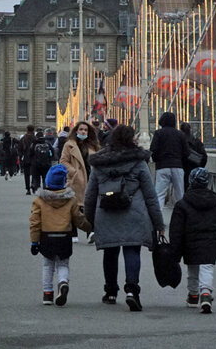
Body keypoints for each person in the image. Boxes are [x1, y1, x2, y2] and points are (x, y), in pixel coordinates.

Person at [84, 124, 165, 311]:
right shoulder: (139, 162)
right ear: (131, 139)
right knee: (132, 251)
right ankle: (132, 290)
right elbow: (151, 195)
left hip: (106, 213)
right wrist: (158, 223)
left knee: (110, 252)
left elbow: (90, 195)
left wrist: (90, 220)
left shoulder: (99, 163)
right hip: (134, 214)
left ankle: (111, 291)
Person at [168, 167, 216, 313]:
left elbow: (176, 231)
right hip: (210, 243)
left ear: (190, 181)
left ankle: (193, 295)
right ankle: (206, 294)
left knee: (193, 268)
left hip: (190, 243)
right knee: (207, 268)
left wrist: (175, 252)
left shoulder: (182, 205)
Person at [30, 164, 86, 306]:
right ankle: (62, 282)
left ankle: (47, 294)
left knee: (48, 265)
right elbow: (78, 219)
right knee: (63, 264)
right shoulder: (71, 200)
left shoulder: (39, 201)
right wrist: (90, 227)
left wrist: (34, 242)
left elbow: (35, 222)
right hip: (64, 237)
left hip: (47, 237)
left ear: (48, 181)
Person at [59, 119, 100, 243]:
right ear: (76, 131)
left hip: (90, 178)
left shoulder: (93, 145)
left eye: (86, 130)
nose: (83, 131)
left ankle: (91, 232)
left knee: (90, 207)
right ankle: (73, 233)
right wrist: (73, 172)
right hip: (76, 179)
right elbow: (63, 161)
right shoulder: (69, 145)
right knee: (74, 207)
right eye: (81, 129)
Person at [150, 111, 190, 209]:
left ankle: (158, 219)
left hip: (162, 166)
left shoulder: (158, 133)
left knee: (160, 194)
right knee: (179, 194)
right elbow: (186, 152)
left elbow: (153, 150)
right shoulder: (180, 134)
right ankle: (180, 218)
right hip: (177, 166)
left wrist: (157, 160)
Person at [179, 122, 208, 190]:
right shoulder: (196, 141)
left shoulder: (180, 141)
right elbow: (204, 157)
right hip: (195, 170)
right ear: (190, 130)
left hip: (183, 171)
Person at [19, 125, 37, 195]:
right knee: (34, 173)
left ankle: (28, 189)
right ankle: (33, 185)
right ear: (33, 130)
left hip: (26, 158)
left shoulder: (23, 138)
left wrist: (21, 157)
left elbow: (19, 149)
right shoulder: (35, 138)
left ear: (27, 130)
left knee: (26, 174)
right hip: (34, 158)